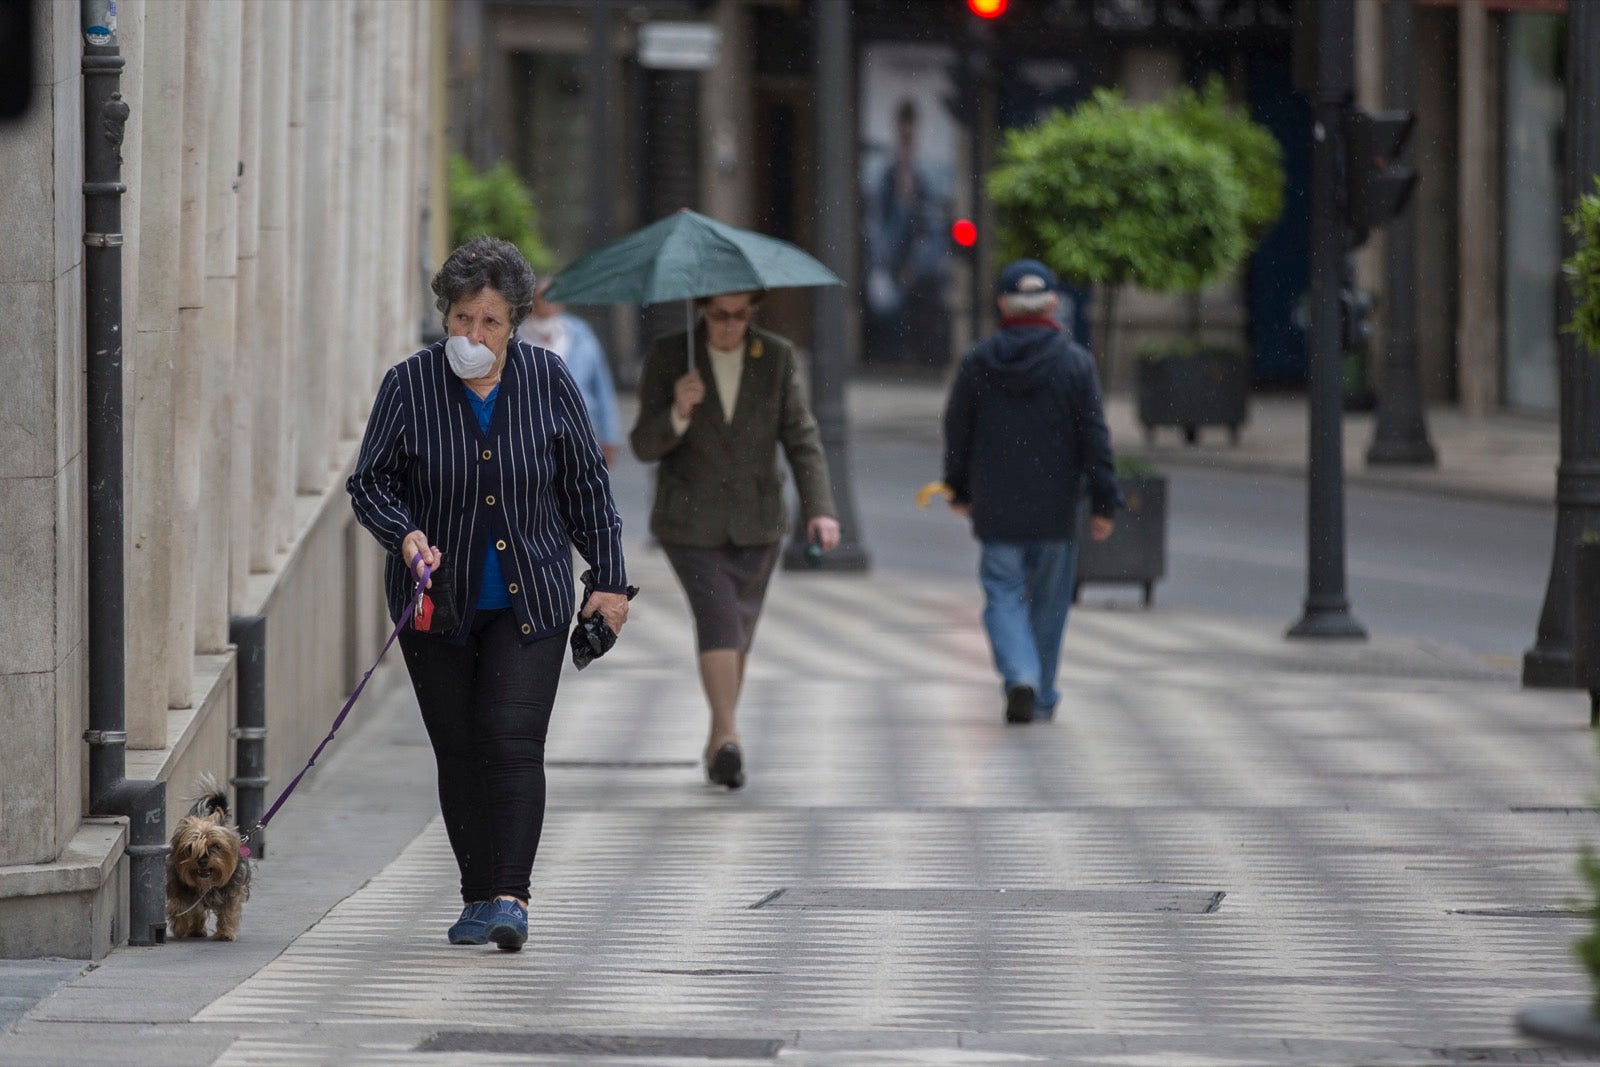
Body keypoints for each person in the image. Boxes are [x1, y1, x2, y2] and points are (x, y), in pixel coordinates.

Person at [347, 236, 632, 952]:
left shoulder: (549, 379)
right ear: (446, 316)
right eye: (463, 319)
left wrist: (609, 581)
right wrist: (405, 534)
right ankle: (477, 891)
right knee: (460, 749)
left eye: (490, 322)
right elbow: (370, 480)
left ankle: (511, 895)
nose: (474, 335)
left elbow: (586, 487)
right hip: (436, 604)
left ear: (515, 323)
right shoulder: (408, 385)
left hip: (529, 598)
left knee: (511, 740)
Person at [630, 290, 840, 790]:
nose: (731, 325)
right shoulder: (669, 355)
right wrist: (679, 411)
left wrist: (821, 510)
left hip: (757, 520)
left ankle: (717, 740)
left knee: (738, 630)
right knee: (719, 618)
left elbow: (801, 437)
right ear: (703, 310)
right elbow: (643, 444)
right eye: (721, 315)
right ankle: (729, 736)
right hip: (689, 522)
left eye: (742, 315)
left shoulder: (778, 356)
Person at [941, 259, 1121, 726]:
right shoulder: (1075, 364)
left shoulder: (979, 361)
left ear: (1003, 304)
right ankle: (1039, 693)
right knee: (1048, 603)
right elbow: (1095, 439)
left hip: (996, 507)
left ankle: (1020, 675)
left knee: (1002, 595)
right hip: (1054, 508)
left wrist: (957, 487)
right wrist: (1104, 501)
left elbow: (957, 431)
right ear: (1054, 304)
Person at [519, 279, 622, 465]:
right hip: (532, 434)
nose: (547, 303)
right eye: (542, 298)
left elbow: (602, 387)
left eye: (553, 298)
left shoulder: (581, 333)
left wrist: (610, 435)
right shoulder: (517, 337)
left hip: (580, 430)